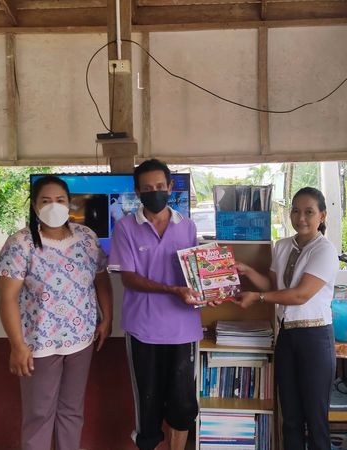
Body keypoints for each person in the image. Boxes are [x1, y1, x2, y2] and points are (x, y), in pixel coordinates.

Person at [0, 175, 113, 450]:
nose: (54, 206)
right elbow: (6, 297)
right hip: (40, 344)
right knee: (39, 415)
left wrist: (107, 318)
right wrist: (17, 345)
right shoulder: (20, 243)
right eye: (46, 201)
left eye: (60, 200)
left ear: (69, 203)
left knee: (72, 412)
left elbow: (101, 279)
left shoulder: (86, 238)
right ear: (34, 206)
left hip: (81, 339)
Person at [109, 159, 204, 450]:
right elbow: (129, 278)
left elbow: (196, 274)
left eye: (160, 186)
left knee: (183, 405)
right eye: (148, 188)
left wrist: (214, 284)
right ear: (137, 192)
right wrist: (171, 289)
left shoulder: (187, 227)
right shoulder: (125, 227)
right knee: (147, 407)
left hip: (183, 329)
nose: (155, 192)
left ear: (170, 187)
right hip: (144, 329)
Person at [233, 187, 339, 450]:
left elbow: (300, 295)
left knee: (315, 419)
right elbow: (273, 286)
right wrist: (247, 271)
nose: (301, 218)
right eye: (295, 211)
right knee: (290, 418)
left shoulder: (324, 250)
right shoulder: (281, 246)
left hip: (315, 338)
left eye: (309, 212)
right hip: (286, 336)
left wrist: (257, 298)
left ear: (322, 216)